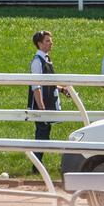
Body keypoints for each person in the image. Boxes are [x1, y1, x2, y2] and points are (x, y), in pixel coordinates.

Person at [28, 30, 67, 170]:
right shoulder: (37, 61)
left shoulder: (46, 59)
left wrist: (61, 89)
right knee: (42, 133)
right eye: (47, 41)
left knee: (45, 133)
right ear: (39, 44)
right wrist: (41, 107)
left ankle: (37, 164)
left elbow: (47, 82)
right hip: (42, 104)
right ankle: (36, 165)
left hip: (47, 102)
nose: (51, 43)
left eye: (50, 40)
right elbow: (36, 86)